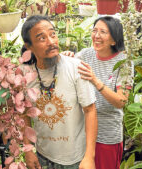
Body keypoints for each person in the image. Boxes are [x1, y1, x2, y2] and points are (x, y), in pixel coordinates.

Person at [21, 15, 98, 169]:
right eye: (42, 38)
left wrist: (89, 156)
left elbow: (90, 110)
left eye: (53, 34)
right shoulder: (24, 75)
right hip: (43, 155)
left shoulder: (76, 68)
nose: (51, 41)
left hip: (75, 158)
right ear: (29, 46)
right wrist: (28, 150)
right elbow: (24, 113)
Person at [63, 16, 134, 169]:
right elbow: (65, 68)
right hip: (83, 133)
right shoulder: (86, 54)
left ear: (114, 40)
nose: (96, 35)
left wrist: (96, 81)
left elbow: (121, 101)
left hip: (107, 136)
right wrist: (67, 57)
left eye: (103, 32)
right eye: (95, 30)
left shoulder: (124, 62)